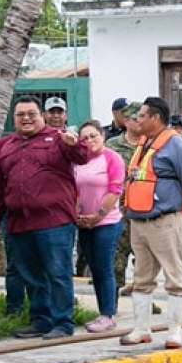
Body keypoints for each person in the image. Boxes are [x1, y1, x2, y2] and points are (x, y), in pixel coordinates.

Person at [0, 96, 90, 340]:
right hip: (19, 222)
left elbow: (83, 155)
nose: (26, 119)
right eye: (21, 114)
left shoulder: (59, 138)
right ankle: (40, 320)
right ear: (14, 119)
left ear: (41, 115)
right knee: (30, 274)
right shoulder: (4, 146)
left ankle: (63, 323)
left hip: (54, 222)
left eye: (31, 114)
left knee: (57, 272)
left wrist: (73, 144)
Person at [120, 96, 182, 349]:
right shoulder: (144, 143)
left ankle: (174, 332)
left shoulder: (176, 145)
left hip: (164, 220)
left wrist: (178, 206)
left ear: (156, 118)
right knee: (142, 277)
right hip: (139, 220)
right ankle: (141, 329)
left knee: (174, 276)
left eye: (142, 115)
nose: (137, 120)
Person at [74, 120, 125, 333]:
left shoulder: (112, 158)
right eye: (84, 138)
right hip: (84, 223)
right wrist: (78, 215)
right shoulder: (78, 161)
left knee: (105, 268)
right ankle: (101, 311)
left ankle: (108, 314)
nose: (90, 141)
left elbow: (115, 191)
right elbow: (75, 191)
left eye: (93, 136)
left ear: (102, 136)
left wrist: (98, 216)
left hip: (107, 222)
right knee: (94, 269)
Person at [107, 101, 143, 295]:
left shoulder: (151, 145)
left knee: (145, 260)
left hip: (144, 210)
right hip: (118, 210)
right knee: (116, 260)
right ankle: (112, 301)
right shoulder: (112, 146)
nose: (140, 123)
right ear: (127, 121)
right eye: (137, 119)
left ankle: (144, 297)